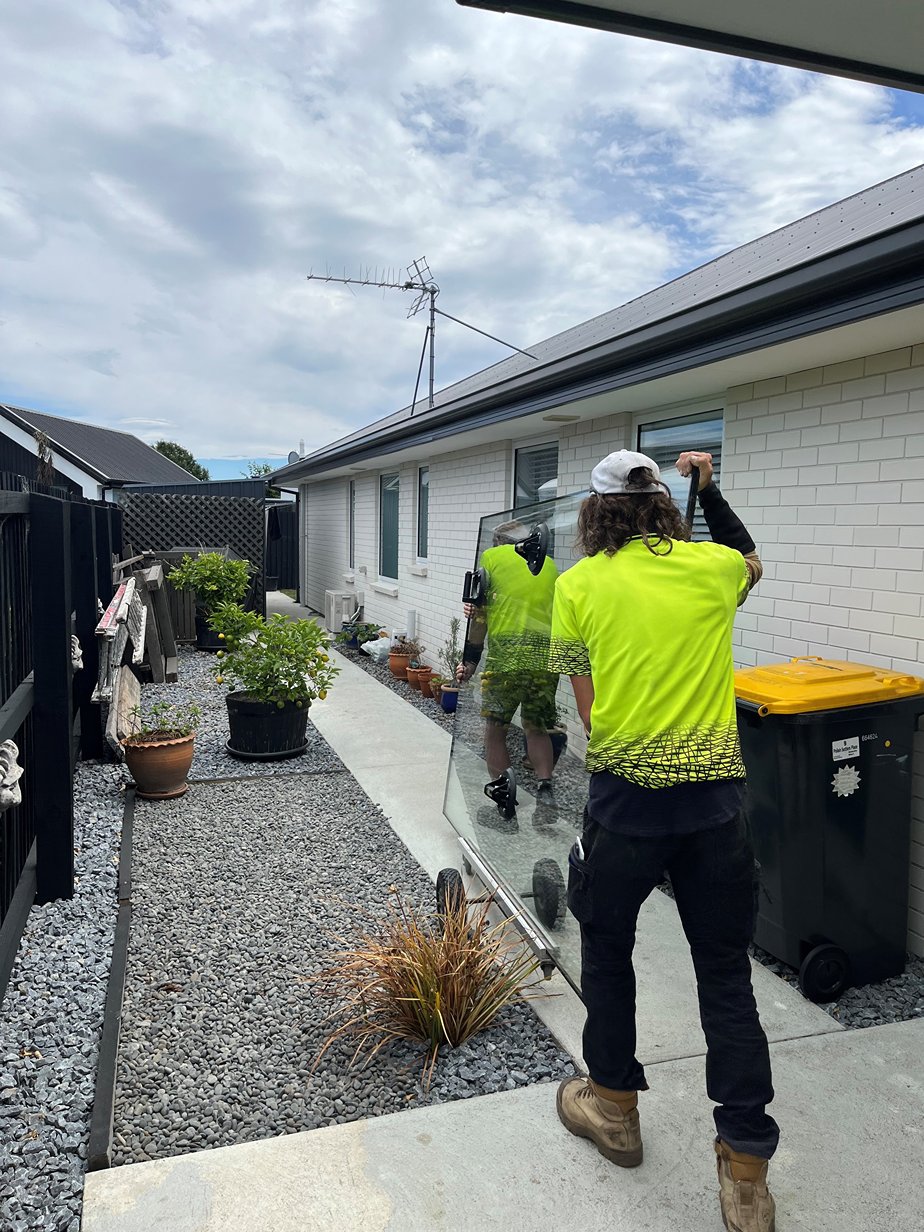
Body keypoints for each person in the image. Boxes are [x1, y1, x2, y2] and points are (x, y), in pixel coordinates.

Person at [550, 448, 776, 1232]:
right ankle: (745, 1169)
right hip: (716, 811)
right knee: (726, 977)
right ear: (662, 503)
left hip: (626, 809)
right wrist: (709, 492)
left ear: (596, 508)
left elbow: (585, 711)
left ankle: (613, 1108)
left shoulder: (575, 586)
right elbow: (750, 557)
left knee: (608, 953)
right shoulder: (714, 571)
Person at [458, 519, 558, 801]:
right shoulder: (549, 564)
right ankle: (546, 787)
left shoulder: (492, 558)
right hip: (545, 658)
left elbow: (479, 615)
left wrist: (470, 662)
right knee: (536, 727)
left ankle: (504, 794)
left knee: (495, 729)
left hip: (506, 658)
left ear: (498, 543)